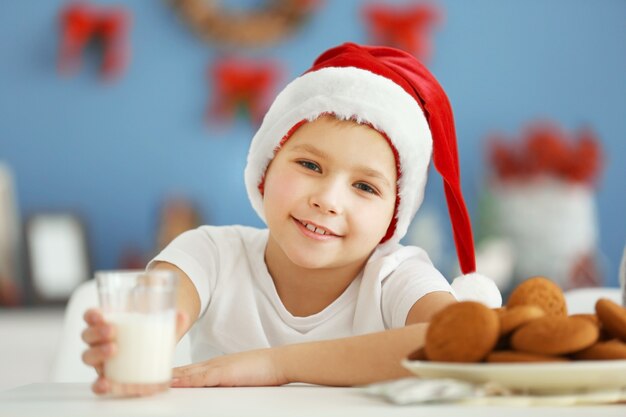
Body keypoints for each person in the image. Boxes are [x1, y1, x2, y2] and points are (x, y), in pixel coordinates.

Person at [81, 42, 502, 395]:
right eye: (310, 165)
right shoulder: (210, 252)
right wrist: (134, 339)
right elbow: (163, 308)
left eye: (365, 187)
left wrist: (278, 365)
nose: (327, 200)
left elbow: (457, 341)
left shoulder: (396, 277)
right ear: (266, 167)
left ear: (394, 215)